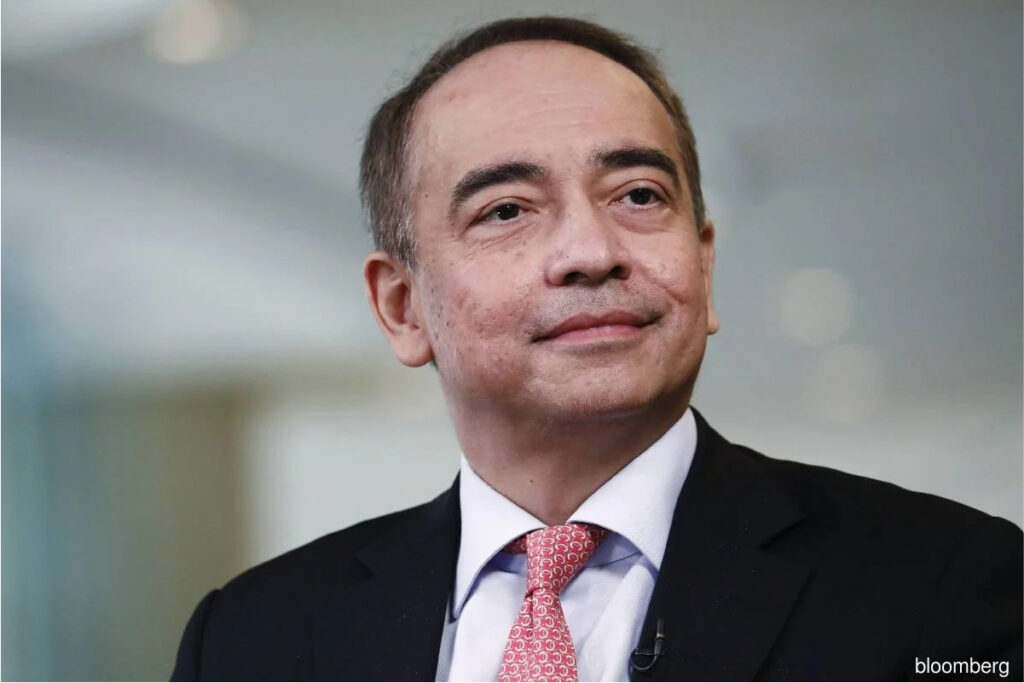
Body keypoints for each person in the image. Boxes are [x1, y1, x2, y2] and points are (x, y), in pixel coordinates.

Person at [171, 16, 1021, 682]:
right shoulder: (251, 639)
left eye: (639, 195)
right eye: (507, 210)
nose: (592, 250)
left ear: (704, 265)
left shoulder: (945, 587)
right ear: (402, 307)